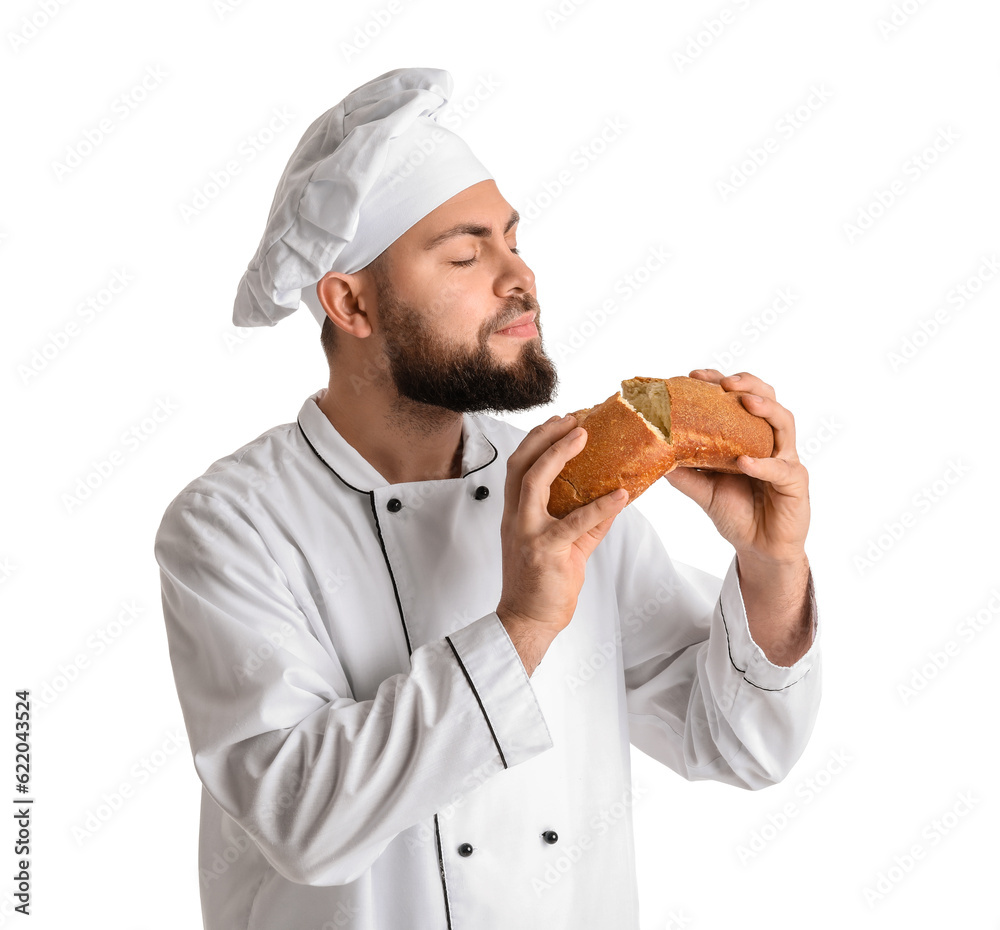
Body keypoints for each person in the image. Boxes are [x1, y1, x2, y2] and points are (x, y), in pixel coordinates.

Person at [154, 67, 820, 930]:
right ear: (350, 302)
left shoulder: (565, 478)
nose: (521, 278)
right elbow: (302, 820)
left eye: (513, 239)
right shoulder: (231, 525)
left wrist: (772, 568)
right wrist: (524, 626)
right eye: (467, 255)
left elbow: (736, 745)